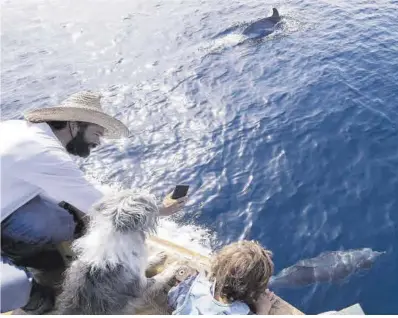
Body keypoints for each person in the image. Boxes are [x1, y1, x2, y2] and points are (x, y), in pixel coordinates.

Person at [0, 91, 186, 313]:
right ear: (75, 124)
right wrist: (161, 210)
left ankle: (27, 255)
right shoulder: (44, 151)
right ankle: (36, 300)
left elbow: (71, 193)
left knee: (63, 221)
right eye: (97, 133)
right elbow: (106, 208)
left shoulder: (19, 129)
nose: (98, 142)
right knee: (12, 287)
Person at [167, 240, 276, 315]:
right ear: (253, 291)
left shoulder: (192, 285)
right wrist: (263, 310)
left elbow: (172, 296)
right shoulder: (243, 313)